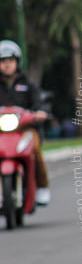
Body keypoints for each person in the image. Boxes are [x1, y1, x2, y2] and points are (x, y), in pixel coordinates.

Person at [0, 40, 50, 205]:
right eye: (3, 62)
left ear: (17, 62)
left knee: (35, 149)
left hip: (24, 130)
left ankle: (42, 186)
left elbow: (39, 102)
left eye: (10, 61)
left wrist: (40, 112)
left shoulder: (27, 84)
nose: (7, 65)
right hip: (2, 133)